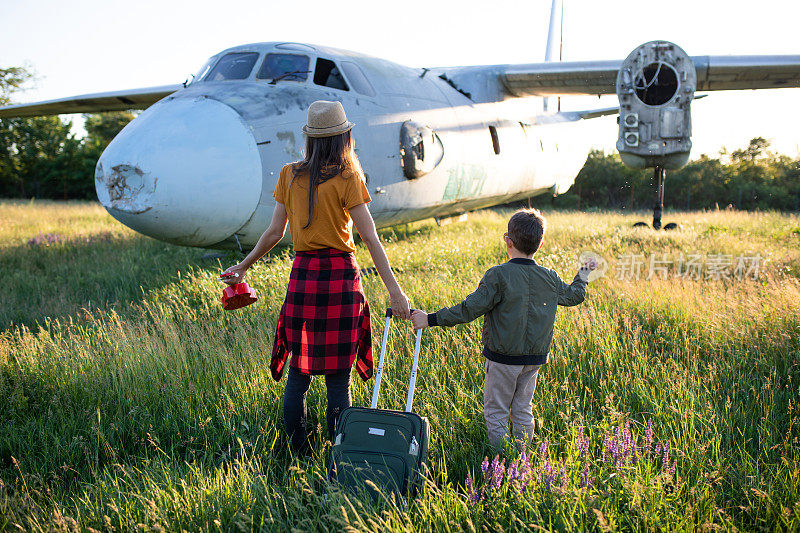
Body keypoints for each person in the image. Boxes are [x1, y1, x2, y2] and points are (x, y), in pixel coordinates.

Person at [222, 100, 411, 454]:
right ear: (344, 137)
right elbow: (369, 237)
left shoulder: (288, 174)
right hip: (340, 278)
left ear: (309, 137)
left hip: (304, 277)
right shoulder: (348, 176)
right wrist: (395, 293)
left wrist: (244, 266)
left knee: (299, 372)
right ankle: (339, 451)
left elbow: (274, 232)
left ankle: (297, 452)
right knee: (339, 378)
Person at [411, 208, 596, 449]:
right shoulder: (550, 277)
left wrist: (431, 319)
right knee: (522, 409)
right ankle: (522, 459)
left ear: (508, 241)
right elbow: (573, 296)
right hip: (534, 359)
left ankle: (501, 461)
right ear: (539, 246)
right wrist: (584, 272)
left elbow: (469, 309)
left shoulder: (498, 275)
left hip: (503, 359)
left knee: (497, 411)